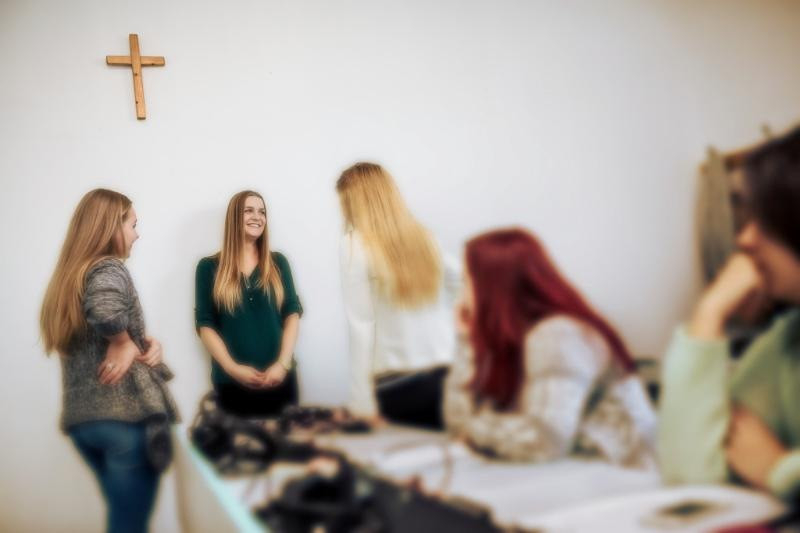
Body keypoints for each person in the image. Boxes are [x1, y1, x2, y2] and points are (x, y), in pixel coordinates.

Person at [660, 126, 800, 500]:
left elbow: (767, 465)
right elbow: (690, 479)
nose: (744, 239)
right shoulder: (788, 340)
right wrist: (709, 313)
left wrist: (777, 468)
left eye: (765, 220)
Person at [444, 228, 656, 466]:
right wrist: (465, 341)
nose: (462, 296)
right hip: (577, 472)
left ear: (493, 286)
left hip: (629, 476)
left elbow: (545, 441)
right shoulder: (512, 340)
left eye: (466, 282)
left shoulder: (558, 335)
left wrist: (472, 428)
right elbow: (457, 425)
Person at [39, 188, 179, 533]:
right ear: (110, 227)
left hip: (84, 424)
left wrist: (139, 343)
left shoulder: (70, 278)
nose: (137, 234)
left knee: (122, 521)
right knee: (129, 526)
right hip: (123, 420)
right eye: (133, 224)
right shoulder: (108, 268)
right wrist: (122, 341)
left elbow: (95, 328)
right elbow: (105, 311)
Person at [336, 162, 460, 429]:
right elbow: (462, 282)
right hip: (448, 378)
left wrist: (361, 405)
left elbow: (361, 327)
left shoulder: (353, 244)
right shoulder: (425, 238)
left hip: (399, 387)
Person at [195, 190, 303, 417]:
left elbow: (292, 314)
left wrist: (282, 365)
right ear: (234, 217)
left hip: (280, 380)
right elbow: (205, 325)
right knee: (239, 441)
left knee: (287, 440)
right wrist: (232, 368)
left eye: (262, 212)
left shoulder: (278, 262)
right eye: (249, 210)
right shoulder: (208, 267)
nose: (257, 217)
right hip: (231, 385)